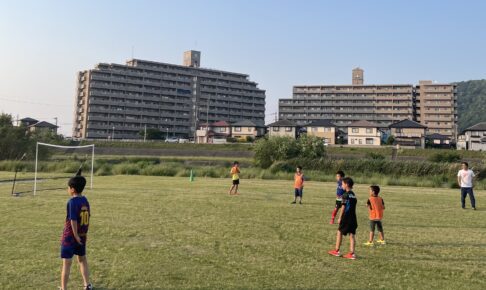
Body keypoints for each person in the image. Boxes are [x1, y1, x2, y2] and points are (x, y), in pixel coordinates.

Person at [60, 175, 92, 290]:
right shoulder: (85, 200)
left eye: (68, 187)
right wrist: (81, 236)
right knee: (82, 260)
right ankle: (87, 285)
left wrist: (76, 235)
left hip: (70, 237)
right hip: (82, 236)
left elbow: (73, 220)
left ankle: (63, 288)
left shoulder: (72, 202)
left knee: (67, 264)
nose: (67, 189)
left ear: (72, 189)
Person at [328, 177, 357, 260]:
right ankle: (352, 253)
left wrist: (340, 217)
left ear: (347, 184)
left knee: (339, 232)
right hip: (353, 217)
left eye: (343, 184)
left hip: (346, 217)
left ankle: (337, 251)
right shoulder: (353, 195)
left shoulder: (345, 195)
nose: (342, 185)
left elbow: (343, 207)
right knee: (352, 234)